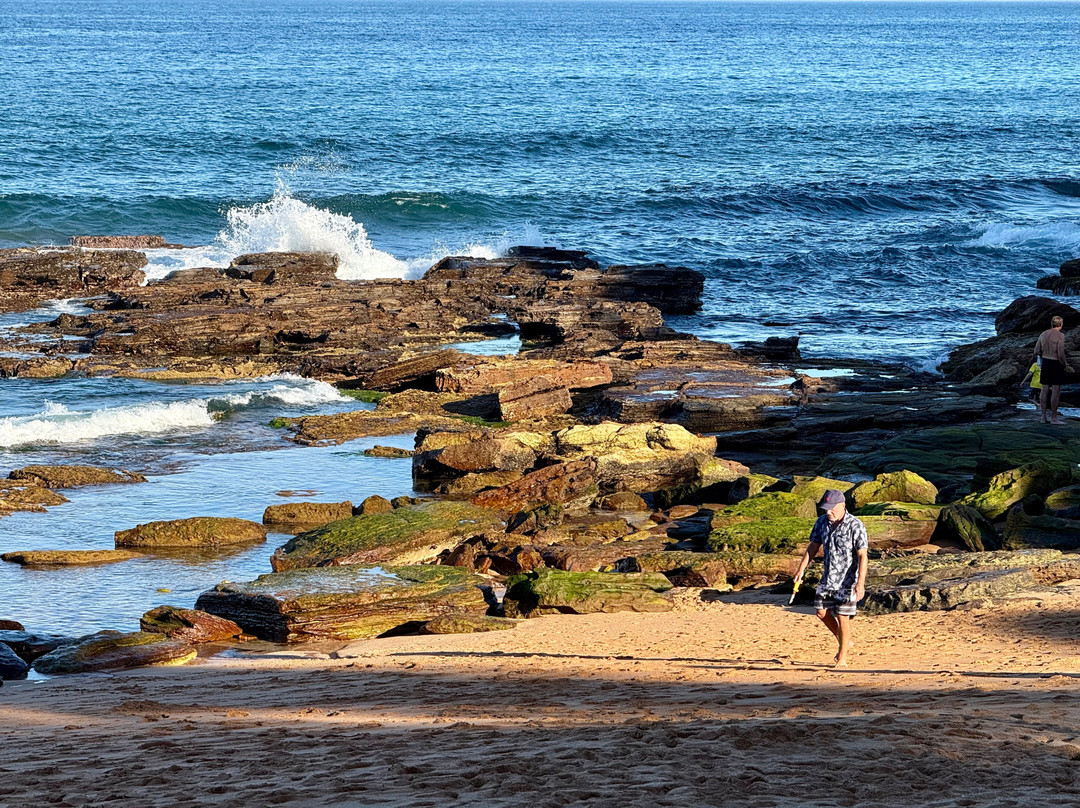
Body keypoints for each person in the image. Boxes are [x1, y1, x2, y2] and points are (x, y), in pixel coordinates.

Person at [791, 489, 868, 668]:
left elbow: (863, 555)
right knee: (821, 612)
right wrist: (801, 570)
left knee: (842, 617)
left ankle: (842, 657)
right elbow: (813, 547)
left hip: (848, 580)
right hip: (828, 578)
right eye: (826, 508)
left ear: (843, 506)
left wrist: (860, 584)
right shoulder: (821, 522)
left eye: (832, 508)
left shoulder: (855, 525)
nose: (829, 512)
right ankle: (844, 640)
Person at [1034, 315, 1073, 425]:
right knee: (1055, 391)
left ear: (1051, 324)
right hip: (1055, 363)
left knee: (1044, 389)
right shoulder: (1060, 335)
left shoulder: (1043, 334)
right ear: (1061, 324)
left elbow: (1036, 351)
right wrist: (1065, 364)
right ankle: (1054, 418)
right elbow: (1060, 354)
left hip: (1045, 362)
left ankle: (1043, 417)